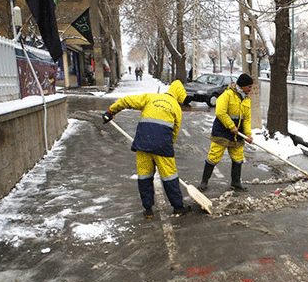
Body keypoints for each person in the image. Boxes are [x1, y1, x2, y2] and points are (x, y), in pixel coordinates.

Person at [102, 80, 190, 218]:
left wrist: (111, 111)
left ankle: (148, 210)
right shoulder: (176, 108)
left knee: (144, 176)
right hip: (162, 147)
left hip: (143, 144)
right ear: (179, 96)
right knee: (169, 176)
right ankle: (178, 208)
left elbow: (127, 101)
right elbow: (175, 132)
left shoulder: (150, 97)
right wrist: (165, 146)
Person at [197, 73, 254, 192]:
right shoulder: (227, 95)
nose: (250, 89)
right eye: (249, 86)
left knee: (238, 158)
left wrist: (248, 134)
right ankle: (204, 182)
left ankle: (236, 182)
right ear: (243, 86)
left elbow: (247, 119)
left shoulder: (246, 99)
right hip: (222, 132)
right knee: (214, 156)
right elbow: (220, 112)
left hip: (237, 135)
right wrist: (231, 126)